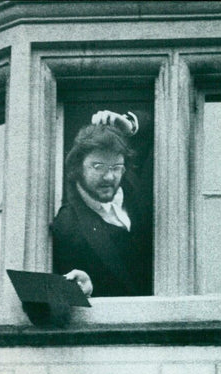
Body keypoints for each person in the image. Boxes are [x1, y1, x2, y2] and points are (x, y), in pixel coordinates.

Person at [52, 110, 150, 298]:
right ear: (77, 166)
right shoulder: (67, 225)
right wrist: (85, 290)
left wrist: (128, 125)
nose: (109, 176)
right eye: (98, 167)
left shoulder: (132, 182)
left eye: (116, 168)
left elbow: (151, 122)